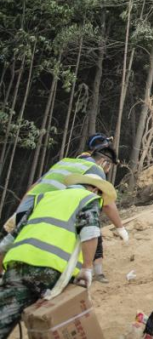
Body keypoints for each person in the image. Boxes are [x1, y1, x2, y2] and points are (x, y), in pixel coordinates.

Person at [0, 134, 128, 282]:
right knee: (88, 225)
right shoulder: (94, 168)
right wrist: (120, 227)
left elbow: (33, 187)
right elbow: (106, 204)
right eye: (109, 167)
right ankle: (94, 272)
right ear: (104, 162)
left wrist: (20, 211)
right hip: (49, 209)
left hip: (29, 206)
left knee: (13, 242)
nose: (107, 171)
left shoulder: (64, 162)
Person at [0, 173, 114, 336]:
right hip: (50, 270)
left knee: (3, 318)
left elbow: (10, 239)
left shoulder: (44, 197)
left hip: (17, 264)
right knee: (56, 321)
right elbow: (90, 232)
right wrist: (87, 268)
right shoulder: (88, 198)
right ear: (95, 189)